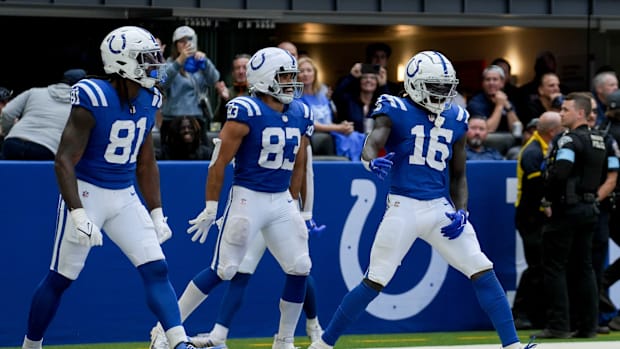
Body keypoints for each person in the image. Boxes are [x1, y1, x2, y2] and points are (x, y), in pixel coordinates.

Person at [308, 50, 536, 349]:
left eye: (446, 86)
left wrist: (462, 210)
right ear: (415, 84)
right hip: (403, 206)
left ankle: (513, 346)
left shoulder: (456, 117)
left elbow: (458, 174)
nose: (442, 93)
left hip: (440, 208)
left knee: (482, 269)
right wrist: (369, 161)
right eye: (435, 86)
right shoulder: (395, 107)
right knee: (374, 280)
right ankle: (322, 345)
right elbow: (374, 141)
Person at [19, 26, 201, 349]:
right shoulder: (93, 96)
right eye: (146, 59)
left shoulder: (149, 98)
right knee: (61, 278)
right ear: (123, 62)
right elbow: (63, 160)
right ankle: (30, 346)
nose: (154, 66)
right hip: (87, 192)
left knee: (157, 268)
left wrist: (157, 213)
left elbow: (146, 162)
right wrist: (77, 214)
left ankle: (178, 342)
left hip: (125, 194)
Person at [150, 47, 313, 349]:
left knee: (300, 266)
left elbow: (300, 162)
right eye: (285, 76)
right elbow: (218, 161)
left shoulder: (301, 112)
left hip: (280, 200)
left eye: (292, 75)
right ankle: (164, 330)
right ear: (265, 79)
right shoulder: (245, 110)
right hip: (248, 197)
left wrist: (296, 202)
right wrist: (211, 207)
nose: (292, 82)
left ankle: (285, 341)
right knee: (224, 269)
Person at [534, 92, 607, 339]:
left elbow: (560, 173)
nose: (561, 113)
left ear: (580, 113)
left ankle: (559, 325)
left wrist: (548, 199)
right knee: (584, 267)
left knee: (554, 266)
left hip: (567, 210)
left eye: (565, 109)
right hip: (590, 209)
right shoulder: (599, 140)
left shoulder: (568, 141)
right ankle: (588, 325)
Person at [512, 111, 563, 330]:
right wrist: (547, 206)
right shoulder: (532, 152)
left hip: (538, 216)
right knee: (536, 266)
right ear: (553, 131)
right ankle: (520, 312)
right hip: (530, 216)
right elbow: (535, 189)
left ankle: (537, 313)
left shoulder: (545, 148)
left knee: (543, 266)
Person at [1, 69, 86, 160]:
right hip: (46, 149)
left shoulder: (34, 92)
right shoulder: (80, 105)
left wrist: (7, 132)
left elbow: (7, 112)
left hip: (13, 143)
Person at [160, 25, 220, 146]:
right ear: (175, 44)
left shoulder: (198, 62)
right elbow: (162, 83)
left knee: (200, 156)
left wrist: (206, 62)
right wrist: (179, 62)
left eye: (189, 40)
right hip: (173, 120)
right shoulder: (168, 64)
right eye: (181, 41)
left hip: (196, 120)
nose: (186, 44)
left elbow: (214, 79)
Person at [213, 53, 251, 127]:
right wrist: (225, 100)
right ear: (233, 73)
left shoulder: (259, 92)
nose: (241, 72)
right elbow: (216, 122)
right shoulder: (227, 92)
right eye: (237, 68)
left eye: (245, 68)